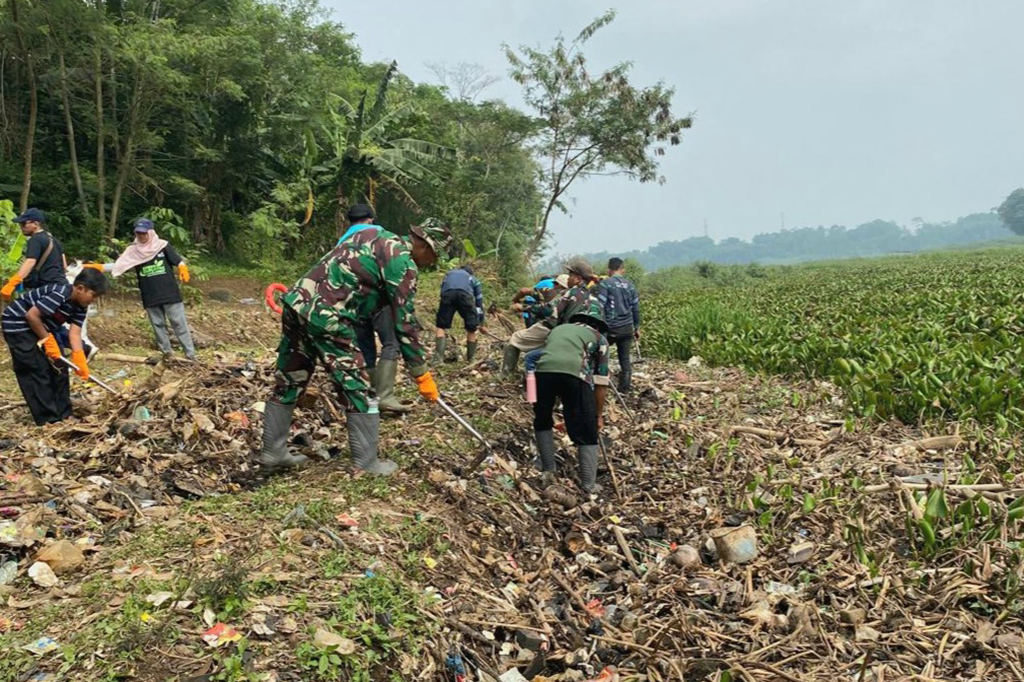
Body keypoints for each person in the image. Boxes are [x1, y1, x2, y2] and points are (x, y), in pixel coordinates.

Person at [260, 219, 452, 475]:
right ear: (425, 247)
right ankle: (367, 462)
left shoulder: (372, 232)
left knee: (290, 378)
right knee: (359, 387)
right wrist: (421, 374)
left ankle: (273, 452)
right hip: (328, 317)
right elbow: (404, 324)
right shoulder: (403, 264)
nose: (432, 263)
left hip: (297, 304)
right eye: (434, 256)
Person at [2, 268, 108, 425]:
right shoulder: (59, 293)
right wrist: (47, 340)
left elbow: (75, 333)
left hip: (43, 327)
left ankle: (65, 415)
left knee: (60, 367)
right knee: (36, 370)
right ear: (80, 288)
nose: (93, 300)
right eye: (93, 295)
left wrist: (79, 358)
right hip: (18, 325)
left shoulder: (81, 305)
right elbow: (31, 315)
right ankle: (48, 420)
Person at [86, 218, 196, 361]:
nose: (141, 236)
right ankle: (167, 355)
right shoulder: (133, 251)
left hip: (170, 293)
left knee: (179, 324)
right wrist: (98, 267)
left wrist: (182, 268)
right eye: (138, 233)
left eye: (144, 233)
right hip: (150, 295)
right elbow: (119, 265)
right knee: (158, 326)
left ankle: (190, 356)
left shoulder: (162, 246)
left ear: (150, 232)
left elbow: (177, 260)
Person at [531, 297, 609, 494]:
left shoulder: (558, 329)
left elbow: (548, 357)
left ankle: (549, 469)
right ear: (598, 323)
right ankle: (589, 484)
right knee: (586, 426)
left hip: (541, 373)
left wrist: (532, 398)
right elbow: (601, 382)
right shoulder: (599, 338)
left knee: (542, 418)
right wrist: (598, 415)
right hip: (575, 375)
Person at [340, 205, 410, 414]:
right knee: (391, 342)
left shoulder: (342, 241)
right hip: (377, 298)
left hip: (353, 302)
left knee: (365, 346)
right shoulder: (378, 234)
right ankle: (385, 395)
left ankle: (370, 393)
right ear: (370, 219)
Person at [502, 260, 595, 377]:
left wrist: (523, 307)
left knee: (516, 338)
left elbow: (549, 310)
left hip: (555, 329)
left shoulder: (569, 292)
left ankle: (506, 375)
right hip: (580, 336)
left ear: (577, 279)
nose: (568, 278)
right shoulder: (591, 296)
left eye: (570, 275)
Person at [1, 208, 68, 300]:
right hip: (63, 287)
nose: (21, 227)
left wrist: (13, 283)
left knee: (18, 312)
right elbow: (64, 266)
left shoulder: (35, 240)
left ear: (36, 224)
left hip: (46, 288)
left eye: (24, 223)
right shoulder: (54, 240)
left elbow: (30, 261)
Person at [596, 257, 641, 392]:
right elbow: (636, 308)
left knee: (599, 355)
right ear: (622, 269)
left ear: (609, 269)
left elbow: (600, 305)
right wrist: (637, 327)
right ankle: (625, 389)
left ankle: (600, 383)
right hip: (627, 328)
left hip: (610, 327)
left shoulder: (605, 284)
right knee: (625, 359)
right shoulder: (630, 285)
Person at [434, 264, 484, 363]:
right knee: (471, 328)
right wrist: (480, 321)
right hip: (465, 295)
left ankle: (438, 359)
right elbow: (479, 301)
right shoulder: (473, 278)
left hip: (447, 294)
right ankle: (471, 360)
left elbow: (443, 289)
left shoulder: (449, 274)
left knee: (441, 326)